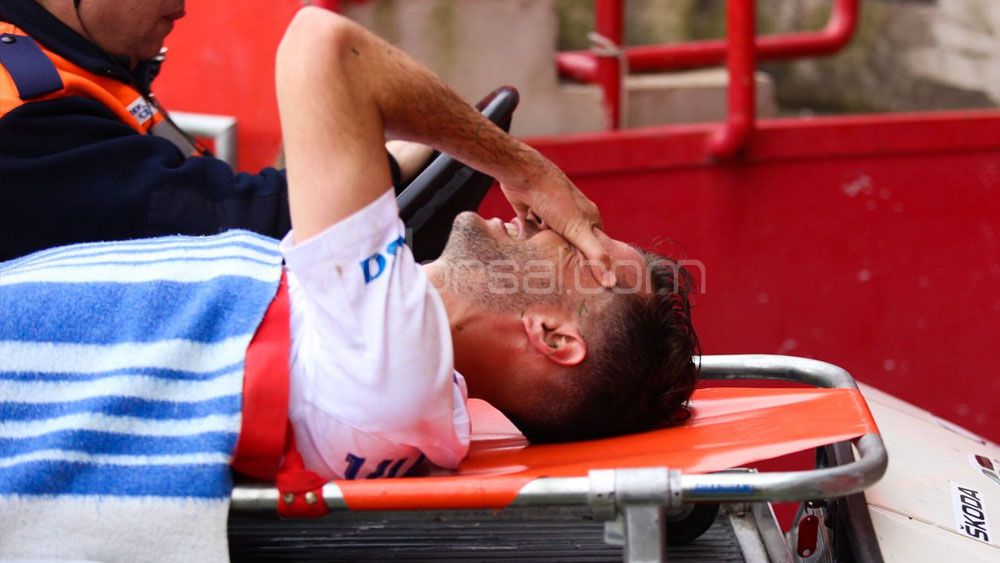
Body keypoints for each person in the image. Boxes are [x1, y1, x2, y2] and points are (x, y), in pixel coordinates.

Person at [0, 7, 699, 561]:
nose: (546, 221)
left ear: (552, 336)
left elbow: (321, 45)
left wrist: (522, 167)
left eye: (582, 248)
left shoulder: (393, 363)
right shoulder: (412, 381)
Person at [0, 0, 423, 261]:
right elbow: (217, 224)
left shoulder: (84, 62)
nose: (183, 5)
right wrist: (382, 163)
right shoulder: (24, 109)